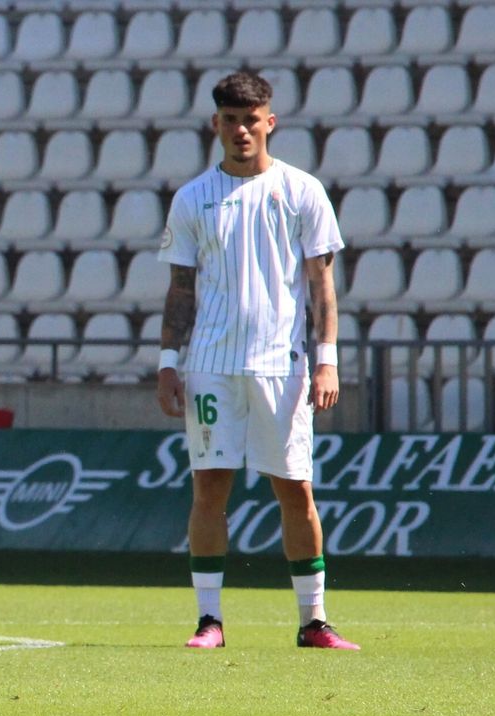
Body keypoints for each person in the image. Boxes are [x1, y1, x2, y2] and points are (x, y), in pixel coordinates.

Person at [156, 72, 358, 651]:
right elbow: (179, 289)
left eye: (252, 119)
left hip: (282, 365)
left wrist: (327, 361)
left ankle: (314, 621)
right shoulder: (193, 197)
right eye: (230, 119)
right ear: (216, 124)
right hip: (212, 365)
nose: (242, 130)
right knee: (209, 488)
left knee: (296, 490)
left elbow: (322, 286)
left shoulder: (302, 191)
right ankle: (209, 620)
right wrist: (169, 361)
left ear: (270, 122)